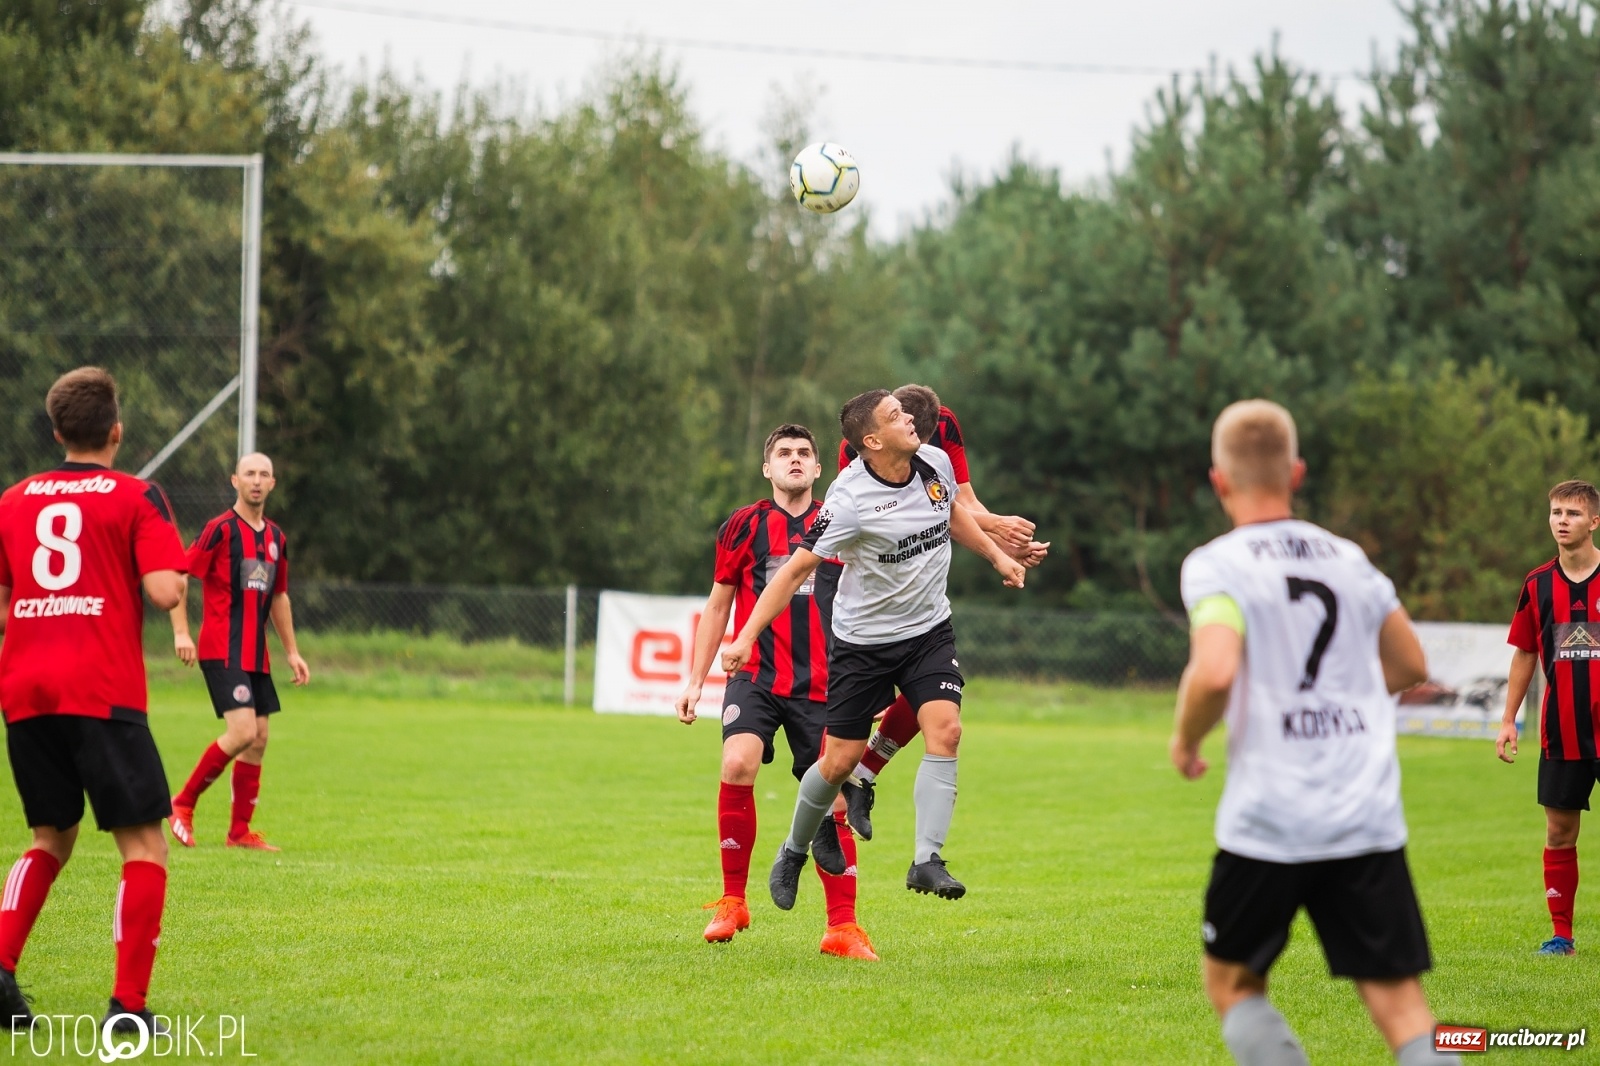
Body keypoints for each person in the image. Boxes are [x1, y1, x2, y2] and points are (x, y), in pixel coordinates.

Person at [1171, 399, 1458, 1066]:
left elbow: (1214, 672)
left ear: (1220, 481)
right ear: (1296, 473)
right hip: (1365, 815)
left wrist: (1185, 740)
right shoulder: (1350, 559)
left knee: (1233, 982)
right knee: (1402, 1006)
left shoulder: (1217, 564)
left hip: (1270, 819)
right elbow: (1411, 663)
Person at [723, 389, 1025, 910]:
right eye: (894, 416)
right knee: (836, 762)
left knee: (947, 730)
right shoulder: (847, 500)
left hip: (929, 631)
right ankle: (794, 849)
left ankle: (926, 860)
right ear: (871, 440)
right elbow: (795, 569)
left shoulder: (932, 462)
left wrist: (997, 557)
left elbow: (950, 514)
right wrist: (746, 634)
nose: (909, 418)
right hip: (863, 644)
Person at [0, 367, 188, 1035]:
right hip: (100, 687)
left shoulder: (14, 499)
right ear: (116, 431)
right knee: (144, 847)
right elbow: (164, 591)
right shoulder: (138, 496)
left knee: (50, 836)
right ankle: (127, 1010)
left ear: (56, 432)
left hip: (24, 688)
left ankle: (0, 966)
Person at [675, 425, 875, 959]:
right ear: (767, 468)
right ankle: (732, 901)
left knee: (832, 797)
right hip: (757, 676)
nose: (793, 460)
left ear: (818, 470)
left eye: (804, 454)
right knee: (737, 762)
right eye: (782, 454)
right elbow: (718, 605)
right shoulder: (742, 526)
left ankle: (842, 928)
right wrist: (695, 679)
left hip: (828, 683)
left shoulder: (842, 521)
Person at [836, 384, 1047, 841]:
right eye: (899, 422)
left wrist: (1003, 547)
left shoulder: (941, 429)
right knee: (838, 745)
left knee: (934, 700)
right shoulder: (856, 448)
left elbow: (953, 500)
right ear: (878, 435)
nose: (915, 436)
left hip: (922, 601)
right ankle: (819, 820)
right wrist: (998, 532)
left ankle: (876, 794)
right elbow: (896, 516)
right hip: (866, 593)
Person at [168, 453, 310, 852]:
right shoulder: (220, 529)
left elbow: (279, 596)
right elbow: (180, 575)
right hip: (221, 648)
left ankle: (239, 832)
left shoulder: (276, 539)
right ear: (235, 480)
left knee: (259, 737)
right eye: (249, 473)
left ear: (273, 483)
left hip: (256, 654)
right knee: (243, 731)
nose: (256, 480)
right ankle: (182, 803)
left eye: (264, 474)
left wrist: (292, 653)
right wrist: (181, 632)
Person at [1496, 478, 1600, 956]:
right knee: (1559, 833)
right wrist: (1507, 720)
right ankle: (1562, 936)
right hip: (1563, 734)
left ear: (1594, 522)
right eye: (1557, 512)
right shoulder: (1537, 584)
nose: (1562, 520)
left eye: (1573, 513)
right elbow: (1523, 655)